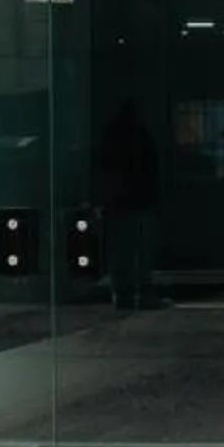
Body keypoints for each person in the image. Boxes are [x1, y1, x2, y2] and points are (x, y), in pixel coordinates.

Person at [89, 97, 162, 311]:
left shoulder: (109, 138)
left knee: (120, 251)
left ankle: (122, 295)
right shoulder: (141, 136)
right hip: (137, 202)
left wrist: (99, 200)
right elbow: (150, 170)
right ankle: (142, 294)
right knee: (140, 250)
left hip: (117, 204)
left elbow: (100, 171)